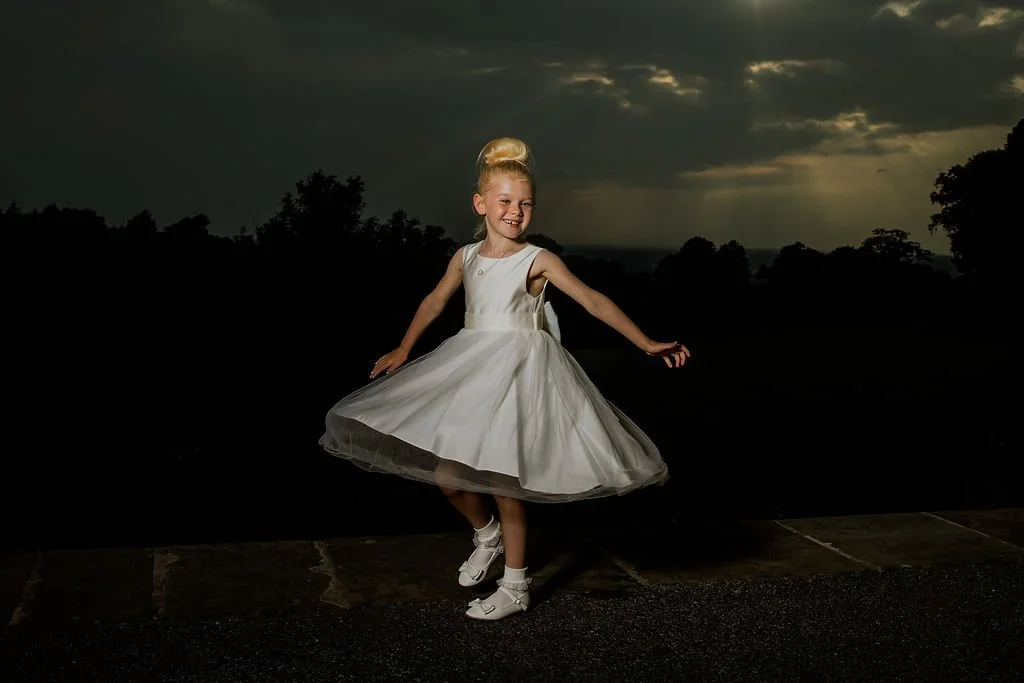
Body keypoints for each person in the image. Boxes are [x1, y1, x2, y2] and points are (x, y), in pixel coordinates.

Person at [319, 137, 689, 621]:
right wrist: (405, 348)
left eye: (525, 204)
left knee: (502, 478)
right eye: (505, 201)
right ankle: (487, 535)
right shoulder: (465, 257)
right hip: (470, 367)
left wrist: (645, 342)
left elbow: (593, 300)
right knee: (449, 477)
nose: (515, 212)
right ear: (481, 204)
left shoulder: (538, 260)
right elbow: (434, 301)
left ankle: (516, 586)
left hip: (521, 372)